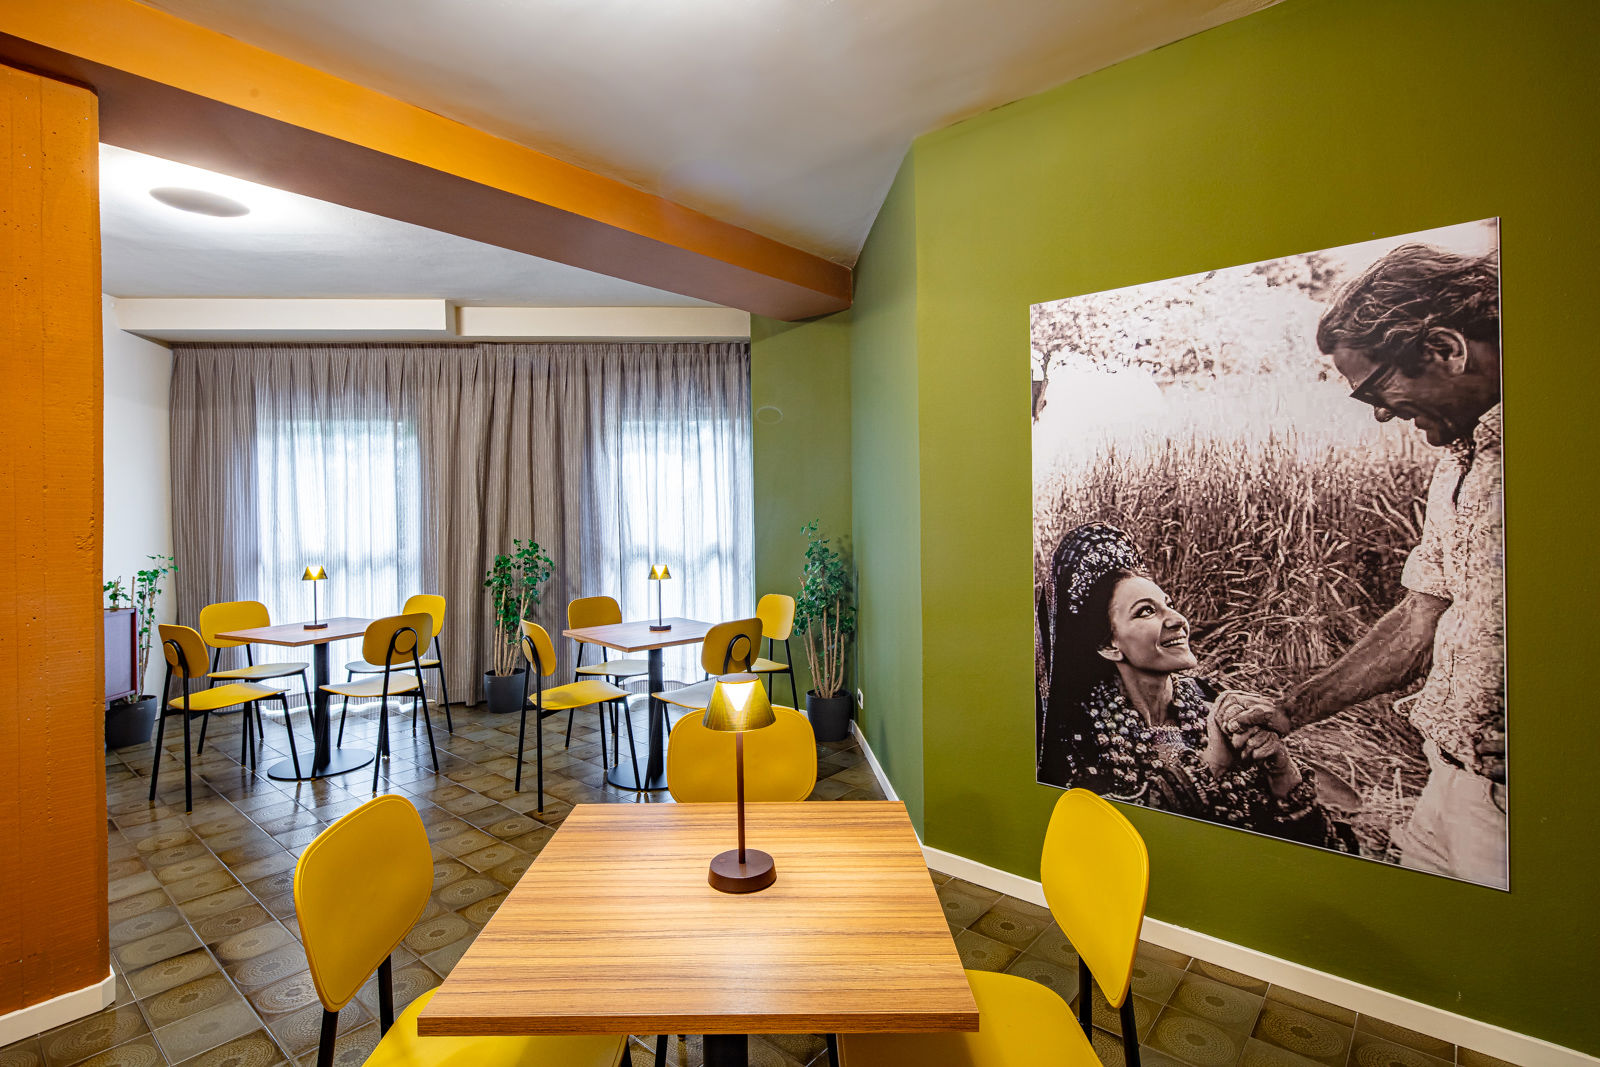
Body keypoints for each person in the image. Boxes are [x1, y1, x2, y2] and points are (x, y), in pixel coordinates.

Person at [1221, 241, 1506, 888]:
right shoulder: (1456, 463)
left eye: (1376, 389)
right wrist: (1290, 711)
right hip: (1446, 785)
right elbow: (1420, 618)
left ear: (1445, 349)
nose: (1379, 412)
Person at [1038, 523, 1354, 851]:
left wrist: (1281, 771)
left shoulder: (1215, 706)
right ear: (1109, 646)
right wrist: (1213, 764)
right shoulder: (1081, 735)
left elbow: (1323, 849)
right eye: (1146, 611)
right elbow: (1107, 846)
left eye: (1168, 604)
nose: (1177, 619)